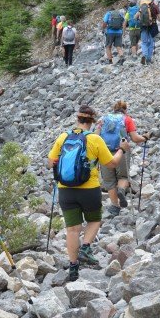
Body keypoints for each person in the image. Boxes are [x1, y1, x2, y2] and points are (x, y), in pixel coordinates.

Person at [48, 106, 128, 282]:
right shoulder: (95, 139)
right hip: (89, 189)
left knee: (72, 229)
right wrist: (122, 149)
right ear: (92, 122)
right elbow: (112, 163)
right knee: (94, 220)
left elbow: (50, 161)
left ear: (77, 119)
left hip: (65, 190)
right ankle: (85, 247)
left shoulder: (63, 137)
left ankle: (73, 268)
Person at [97, 101, 148, 216]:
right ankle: (121, 190)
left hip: (105, 152)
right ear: (125, 109)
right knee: (123, 176)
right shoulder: (127, 119)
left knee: (109, 181)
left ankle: (115, 207)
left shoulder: (104, 119)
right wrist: (145, 137)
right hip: (122, 150)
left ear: (114, 109)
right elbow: (135, 138)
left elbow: (96, 135)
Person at [138, 0, 160, 65]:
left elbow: (135, 17)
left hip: (143, 26)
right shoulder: (155, 6)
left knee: (144, 42)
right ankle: (148, 59)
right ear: (153, 0)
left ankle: (144, 55)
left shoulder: (142, 7)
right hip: (153, 25)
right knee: (151, 42)